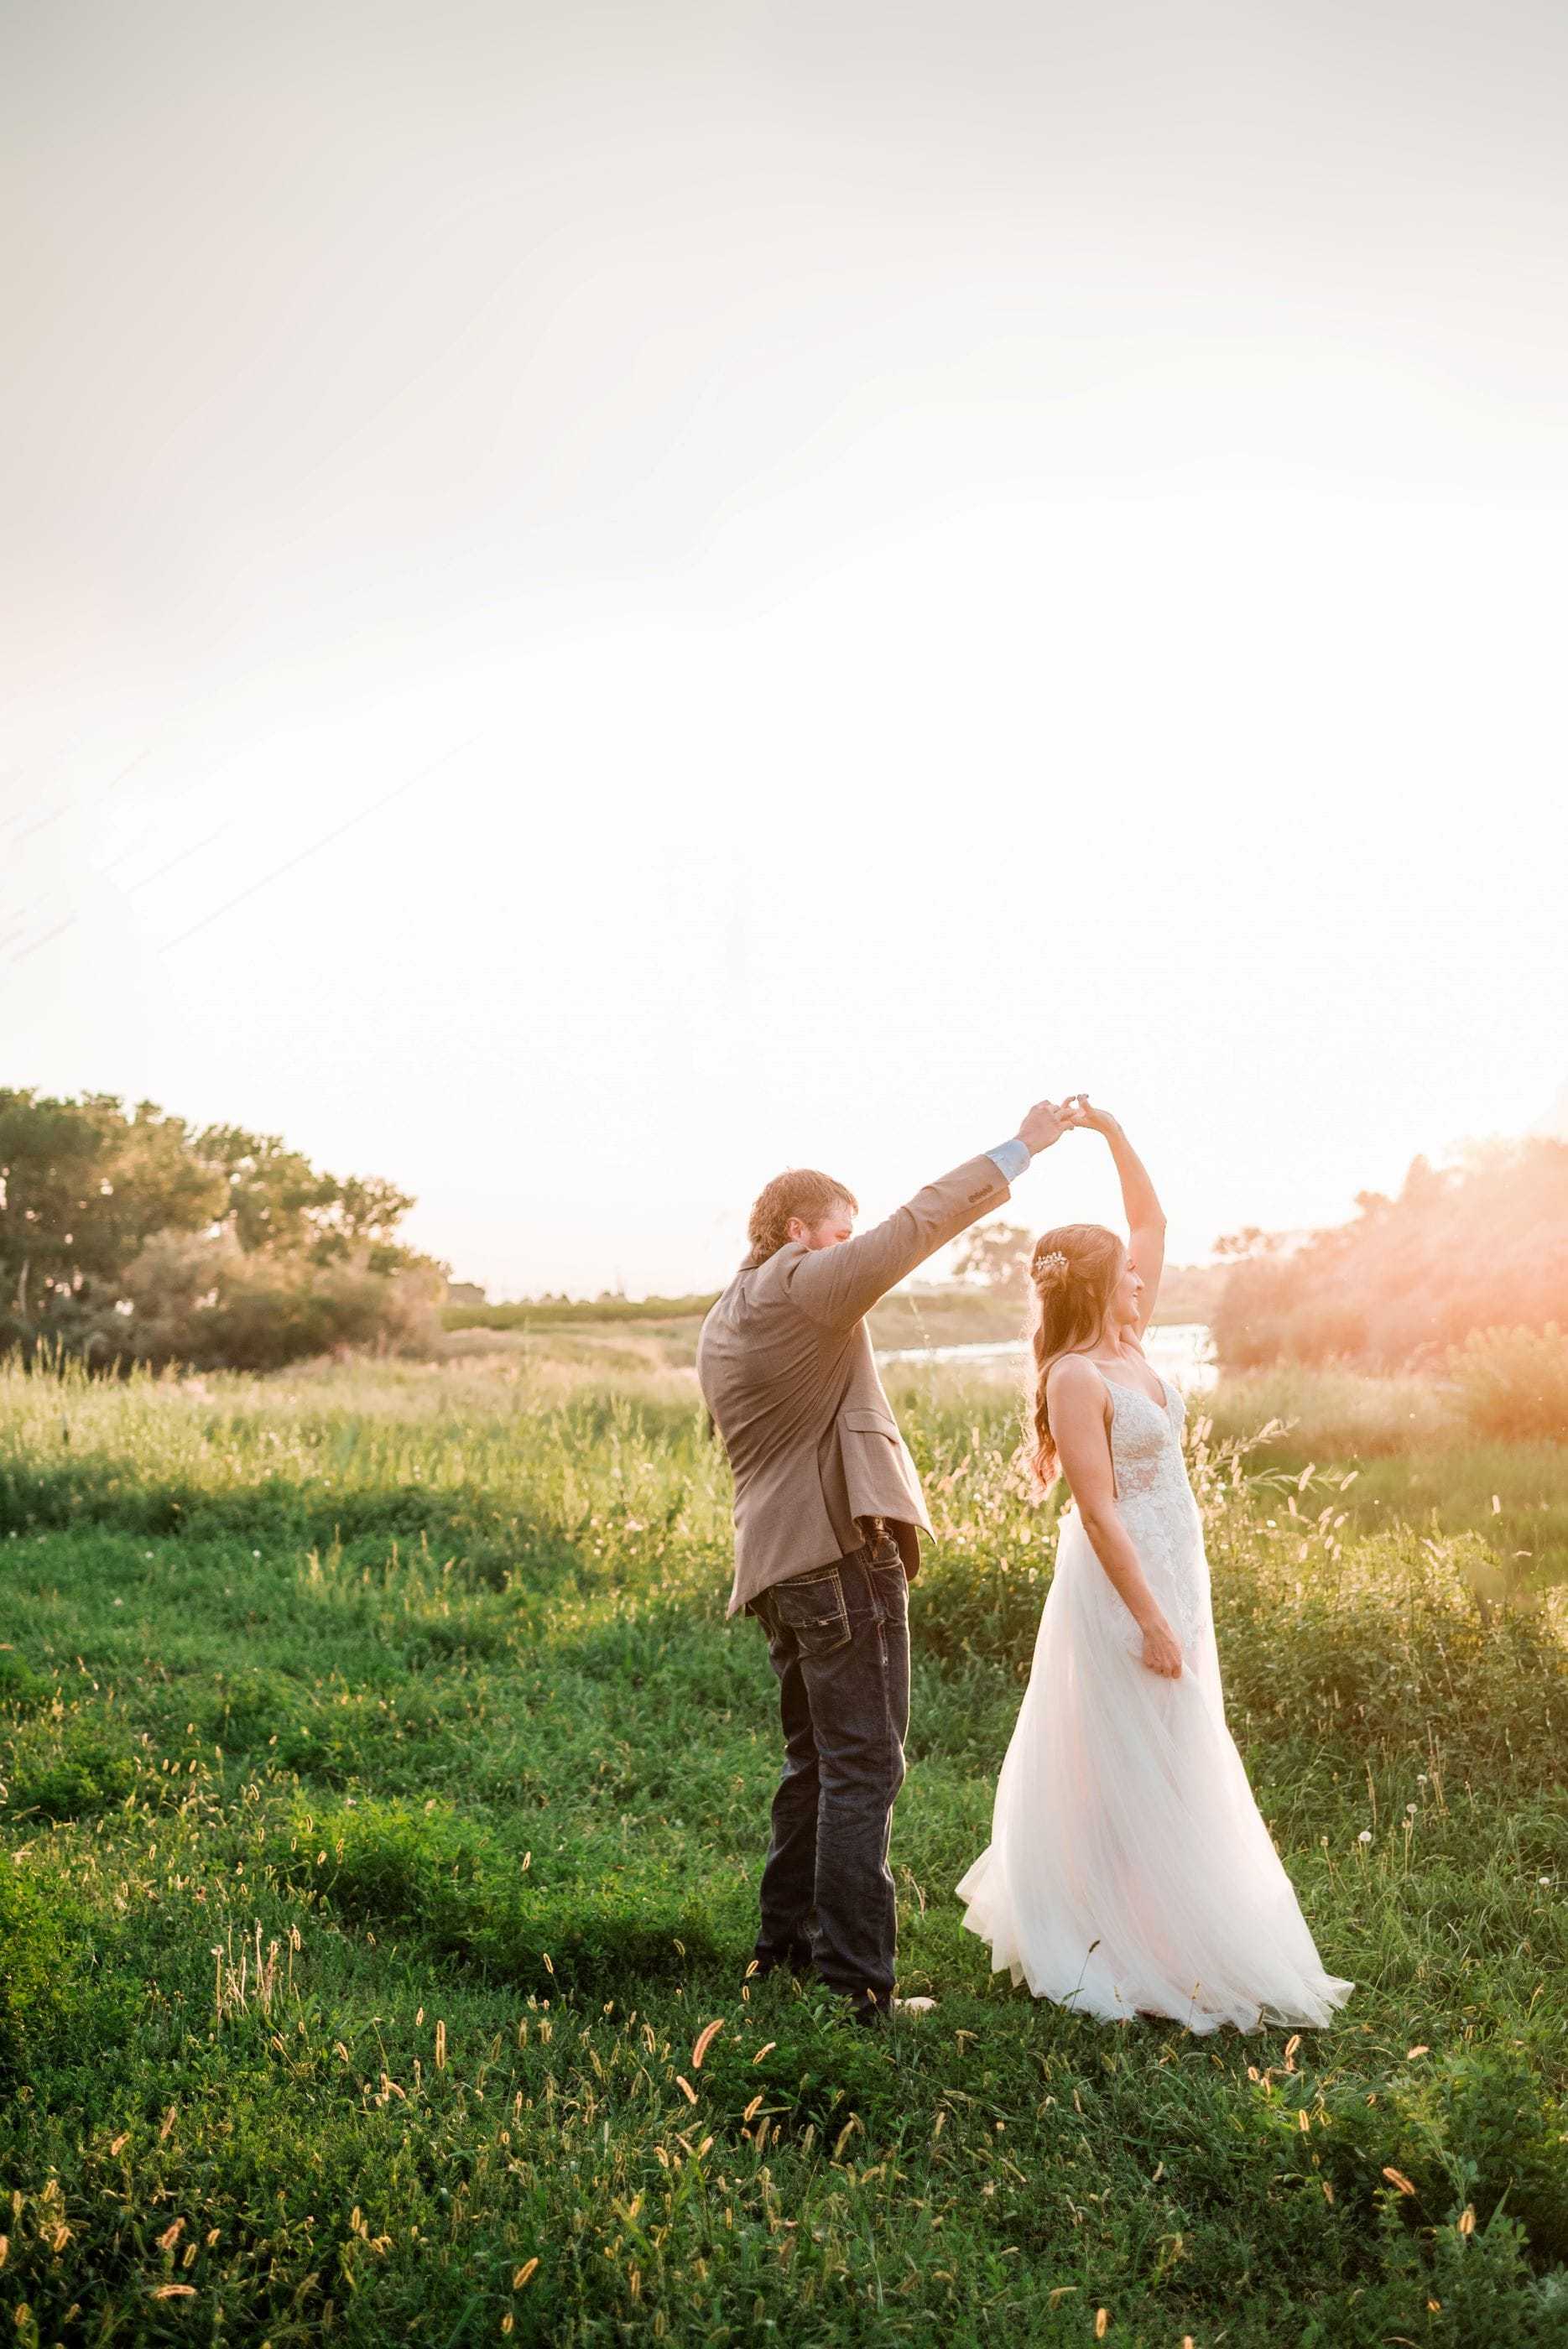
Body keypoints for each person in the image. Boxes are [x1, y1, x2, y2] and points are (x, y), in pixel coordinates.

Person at [956, 1095, 1352, 2033]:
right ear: (1097, 1287)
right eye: (1127, 1276)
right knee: (1124, 1752)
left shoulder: (1131, 1342)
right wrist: (1149, 1617)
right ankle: (1112, 1932)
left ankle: (1159, 1918)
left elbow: (1153, 1221)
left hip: (1178, 1567)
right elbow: (1096, 1509)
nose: (1143, 1278)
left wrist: (1114, 1135)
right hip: (1124, 1587)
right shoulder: (1075, 1375)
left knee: (1173, 1748)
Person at [698, 1096, 1076, 2023]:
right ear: (801, 1230)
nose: (851, 1246)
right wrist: (1021, 1147)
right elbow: (920, 1224)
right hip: (835, 1555)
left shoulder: (726, 1311)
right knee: (865, 1769)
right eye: (841, 1231)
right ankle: (857, 1989)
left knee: (815, 1766)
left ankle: (779, 1952)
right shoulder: (805, 1281)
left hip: (777, 1567)